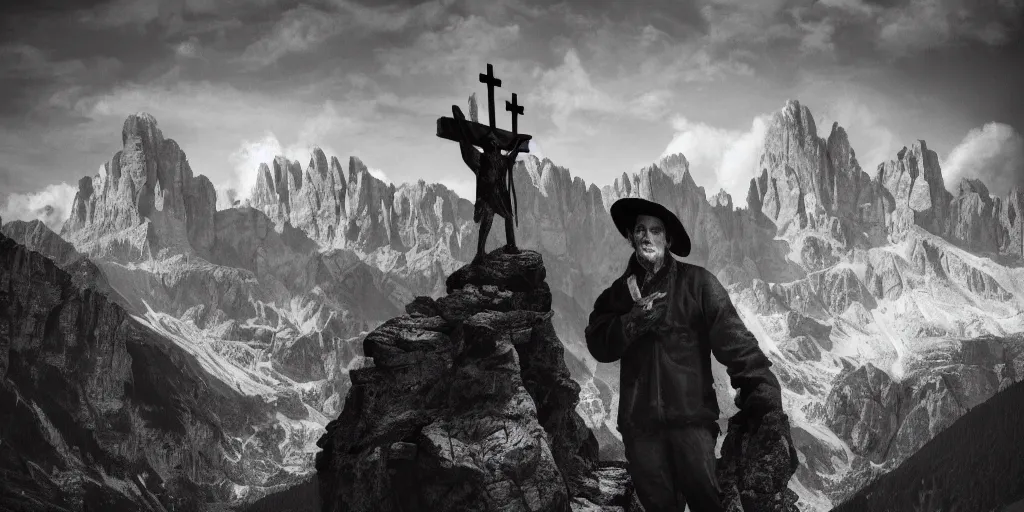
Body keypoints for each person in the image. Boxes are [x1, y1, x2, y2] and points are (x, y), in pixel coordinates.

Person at [585, 197, 785, 512]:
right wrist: (631, 323)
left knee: (708, 503)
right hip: (641, 431)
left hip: (692, 424)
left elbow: (735, 340)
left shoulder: (699, 284)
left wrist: (761, 387)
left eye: (655, 230)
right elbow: (597, 342)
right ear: (631, 237)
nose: (647, 237)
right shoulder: (618, 295)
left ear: (668, 239)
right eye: (640, 230)